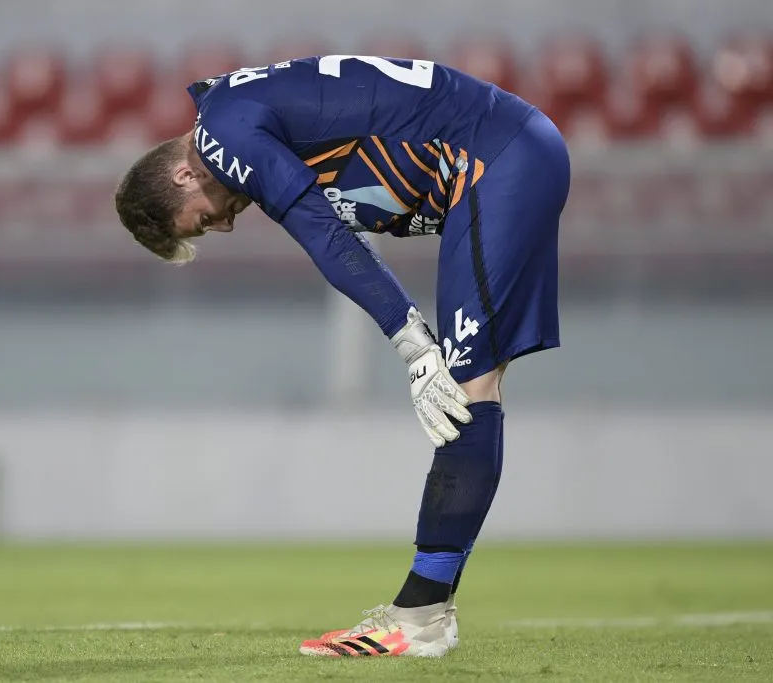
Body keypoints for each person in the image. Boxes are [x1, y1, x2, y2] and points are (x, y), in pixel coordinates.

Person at [114, 54, 570, 658]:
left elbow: (323, 232)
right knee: (475, 386)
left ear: (181, 178)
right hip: (504, 153)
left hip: (494, 158)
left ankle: (422, 618)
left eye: (198, 224)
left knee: (466, 389)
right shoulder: (234, 116)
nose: (221, 228)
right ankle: (428, 611)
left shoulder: (221, 137)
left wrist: (410, 342)